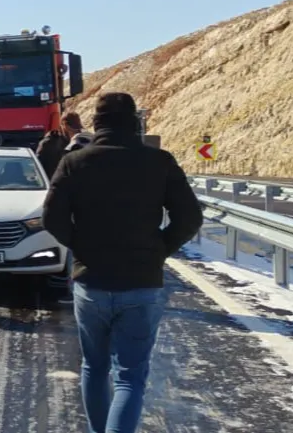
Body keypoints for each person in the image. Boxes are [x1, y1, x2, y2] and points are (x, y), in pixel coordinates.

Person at [42, 92, 203, 433]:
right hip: (141, 282)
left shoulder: (74, 163)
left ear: (96, 123)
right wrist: (159, 249)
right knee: (129, 378)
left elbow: (52, 219)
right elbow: (189, 218)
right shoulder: (159, 161)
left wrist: (82, 246)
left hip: (92, 282)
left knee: (94, 368)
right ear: (135, 122)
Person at [37, 112, 84, 178]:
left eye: (78, 129)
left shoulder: (80, 142)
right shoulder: (49, 143)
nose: (76, 132)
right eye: (73, 129)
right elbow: (38, 167)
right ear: (64, 125)